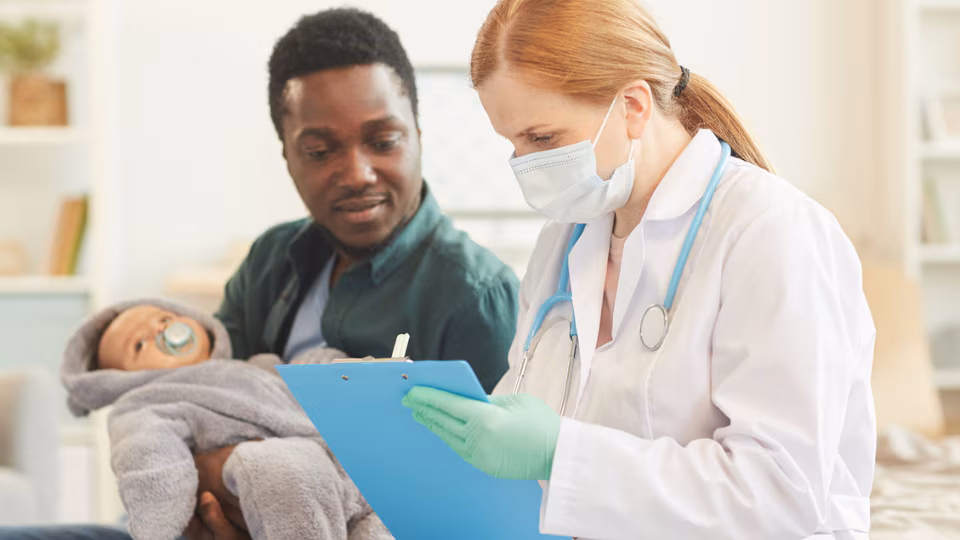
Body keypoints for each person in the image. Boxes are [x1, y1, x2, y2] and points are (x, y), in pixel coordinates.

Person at [0, 7, 518, 540]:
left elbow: (491, 509)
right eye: (320, 151)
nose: (359, 173)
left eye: (384, 141)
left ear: (418, 135)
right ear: (288, 156)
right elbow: (197, 392)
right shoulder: (272, 258)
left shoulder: (478, 296)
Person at [402, 1, 876, 539]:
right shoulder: (565, 239)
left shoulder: (771, 231)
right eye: (511, 144)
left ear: (632, 105)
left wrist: (560, 454)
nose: (524, 166)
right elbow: (524, 435)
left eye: (542, 139)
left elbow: (778, 495)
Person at [60, 299, 390, 540]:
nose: (161, 331)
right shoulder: (147, 401)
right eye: (140, 344)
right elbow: (148, 464)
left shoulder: (255, 365)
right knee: (279, 466)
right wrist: (160, 528)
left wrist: (329, 366)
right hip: (267, 475)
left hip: (347, 474)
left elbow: (298, 379)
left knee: (382, 524)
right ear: (122, 380)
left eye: (164, 318)